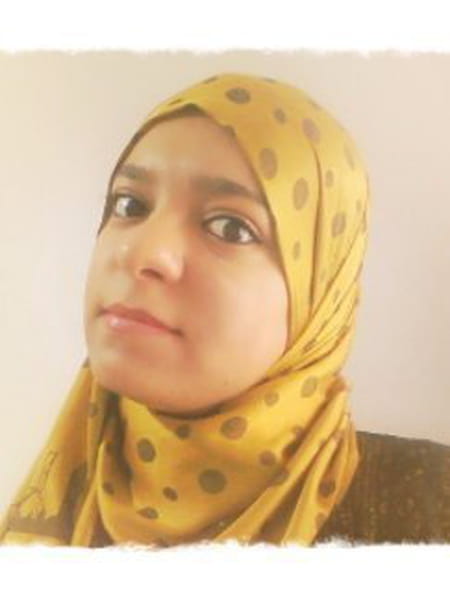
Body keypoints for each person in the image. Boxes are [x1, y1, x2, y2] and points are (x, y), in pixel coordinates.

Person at [0, 73, 448, 547]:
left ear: (320, 297)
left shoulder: (426, 511)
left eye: (230, 228)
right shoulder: (61, 497)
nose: (141, 252)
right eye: (130, 205)